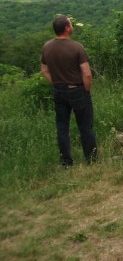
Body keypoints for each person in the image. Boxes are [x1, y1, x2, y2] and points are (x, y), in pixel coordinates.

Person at [40, 15, 97, 167]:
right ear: (66, 28)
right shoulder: (77, 47)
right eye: (71, 24)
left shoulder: (47, 47)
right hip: (77, 90)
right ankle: (91, 159)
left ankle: (66, 162)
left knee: (62, 127)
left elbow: (44, 70)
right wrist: (86, 89)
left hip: (59, 91)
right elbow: (87, 73)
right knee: (85, 126)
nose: (72, 26)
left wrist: (57, 83)